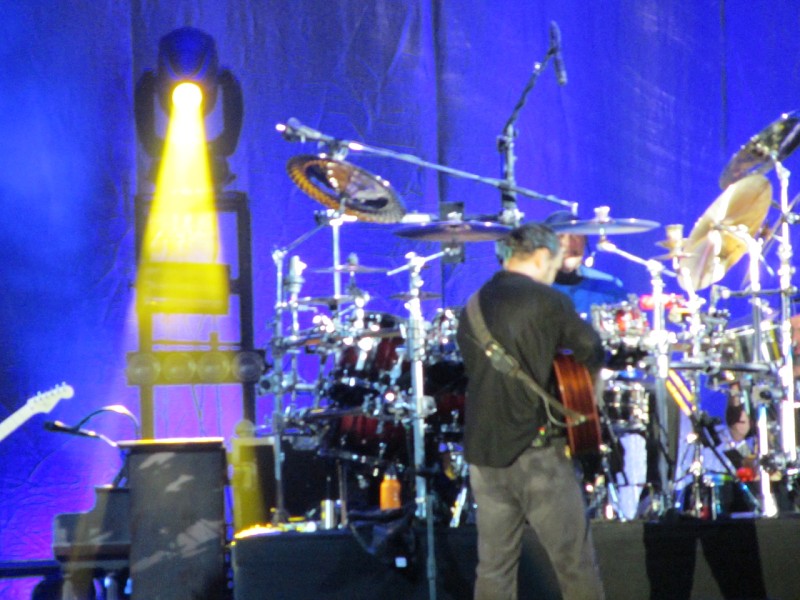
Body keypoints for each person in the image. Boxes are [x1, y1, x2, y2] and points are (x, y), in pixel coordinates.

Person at [456, 222, 606, 600]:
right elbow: (592, 350)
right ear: (541, 256)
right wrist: (583, 399)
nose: (554, 272)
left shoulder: (472, 305)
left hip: (485, 455)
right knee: (574, 565)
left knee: (494, 569)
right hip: (537, 453)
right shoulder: (548, 301)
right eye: (553, 264)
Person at [544, 211, 627, 318]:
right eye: (560, 236)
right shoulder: (530, 289)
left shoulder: (609, 287)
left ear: (585, 241)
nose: (568, 243)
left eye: (575, 235)